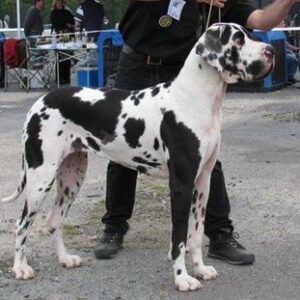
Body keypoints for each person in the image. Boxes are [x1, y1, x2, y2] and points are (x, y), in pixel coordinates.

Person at [94, 0, 300, 265]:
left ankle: (220, 234)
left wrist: (287, 2)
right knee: (122, 144)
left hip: (181, 69)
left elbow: (260, 19)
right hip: (137, 62)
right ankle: (114, 227)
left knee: (203, 151)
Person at [50, 0, 75, 84]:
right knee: (59, 57)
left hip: (67, 35)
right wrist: (66, 24)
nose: (60, 5)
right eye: (58, 3)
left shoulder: (68, 12)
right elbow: (56, 23)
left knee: (67, 56)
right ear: (55, 4)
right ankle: (59, 78)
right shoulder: (53, 13)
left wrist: (68, 25)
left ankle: (66, 77)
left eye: (61, 3)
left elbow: (72, 23)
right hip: (58, 37)